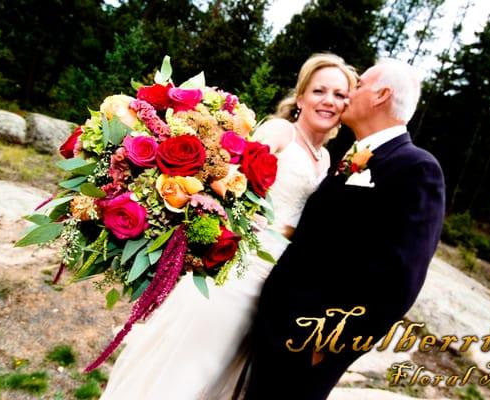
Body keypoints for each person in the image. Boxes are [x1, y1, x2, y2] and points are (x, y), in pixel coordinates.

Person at [99, 53, 358, 400]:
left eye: (340, 95)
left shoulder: (325, 157)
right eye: (319, 91)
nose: (329, 101)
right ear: (300, 97)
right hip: (238, 272)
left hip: (275, 284)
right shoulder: (281, 132)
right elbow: (228, 183)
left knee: (221, 378)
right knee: (192, 370)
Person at [241, 58, 446, 400]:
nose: (350, 92)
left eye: (360, 84)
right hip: (272, 327)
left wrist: (329, 344)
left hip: (307, 347)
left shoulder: (416, 167)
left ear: (381, 95)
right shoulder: (353, 157)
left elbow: (400, 278)